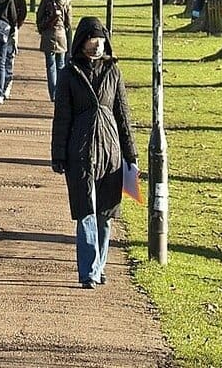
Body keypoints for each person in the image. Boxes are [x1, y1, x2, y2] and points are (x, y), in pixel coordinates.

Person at [52, 17, 136, 289]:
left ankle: (99, 266)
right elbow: (62, 117)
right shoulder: (69, 73)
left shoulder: (113, 72)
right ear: (82, 41)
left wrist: (130, 154)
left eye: (101, 39)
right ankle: (89, 270)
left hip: (110, 152)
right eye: (92, 38)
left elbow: (123, 114)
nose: (98, 44)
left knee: (105, 213)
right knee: (86, 211)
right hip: (81, 153)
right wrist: (59, 154)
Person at [35, 0, 71, 101]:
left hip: (48, 34)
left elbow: (39, 14)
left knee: (50, 65)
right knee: (60, 65)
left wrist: (41, 28)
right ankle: (60, 93)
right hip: (61, 35)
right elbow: (68, 20)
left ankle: (53, 94)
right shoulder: (65, 1)